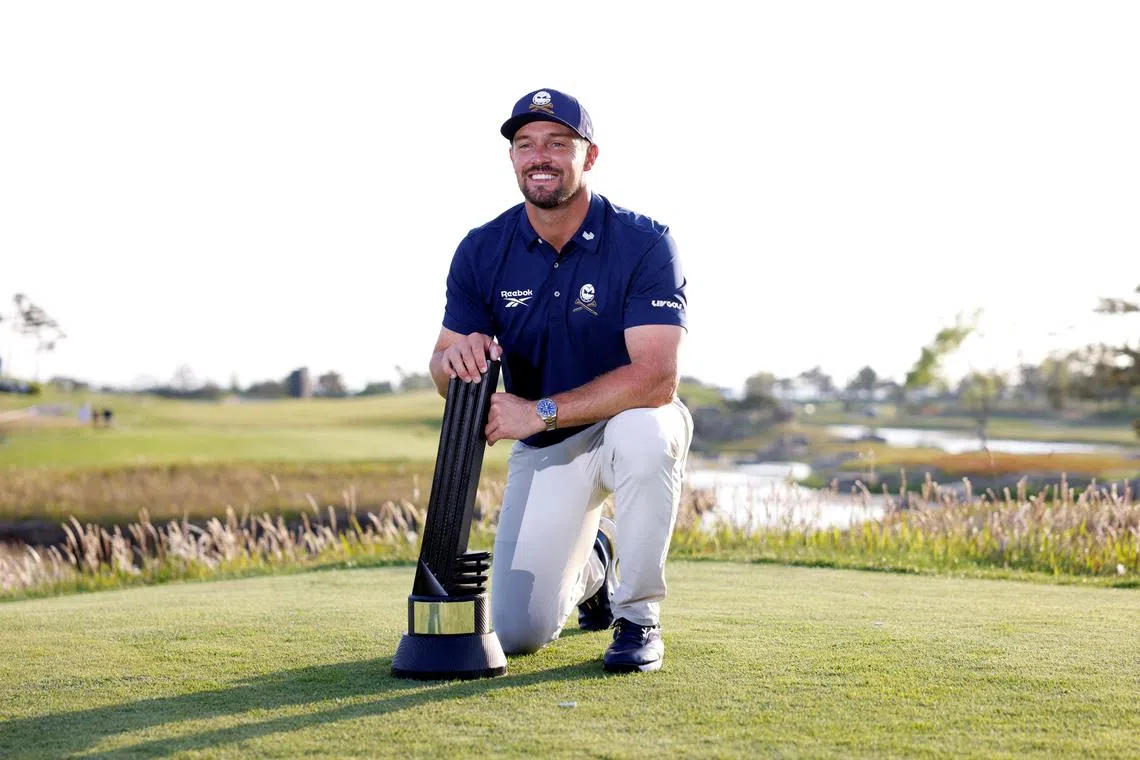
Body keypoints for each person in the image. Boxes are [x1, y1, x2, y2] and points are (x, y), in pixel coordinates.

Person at [429, 88, 692, 674]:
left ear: (588, 156)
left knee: (643, 438)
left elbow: (656, 379)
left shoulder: (645, 241)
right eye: (525, 145)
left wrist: (538, 410)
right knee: (519, 631)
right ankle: (596, 563)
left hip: (631, 418)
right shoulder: (481, 249)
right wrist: (457, 361)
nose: (539, 156)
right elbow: (443, 371)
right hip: (550, 448)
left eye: (557, 143)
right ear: (513, 159)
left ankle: (638, 616)